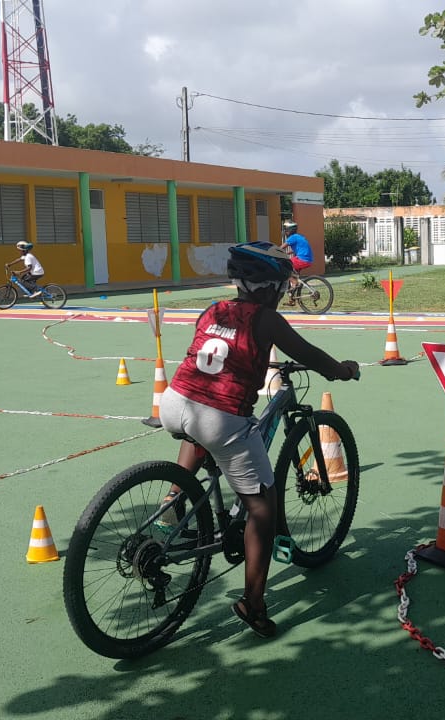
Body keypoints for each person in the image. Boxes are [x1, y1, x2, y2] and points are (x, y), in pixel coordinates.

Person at [159, 240, 359, 638]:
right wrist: (341, 370)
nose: (283, 294)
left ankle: (173, 498)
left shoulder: (212, 309)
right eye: (282, 287)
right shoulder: (266, 319)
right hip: (221, 419)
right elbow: (309, 354)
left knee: (200, 426)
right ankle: (253, 604)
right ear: (269, 287)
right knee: (263, 509)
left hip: (174, 401)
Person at [281, 220, 313, 305]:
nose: (285, 231)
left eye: (285, 229)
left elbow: (281, 248)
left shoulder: (292, 238)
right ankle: (292, 300)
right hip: (307, 260)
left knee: (284, 265)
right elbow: (299, 248)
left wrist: (274, 251)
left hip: (302, 259)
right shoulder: (298, 237)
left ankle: (294, 282)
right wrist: (288, 253)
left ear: (289, 230)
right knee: (293, 275)